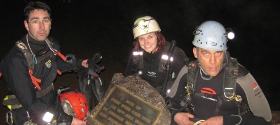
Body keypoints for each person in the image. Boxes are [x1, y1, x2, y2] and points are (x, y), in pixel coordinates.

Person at [0, 1, 94, 125]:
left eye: (45, 20)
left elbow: (57, 63)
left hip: (51, 102)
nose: (41, 26)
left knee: (79, 110)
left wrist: (81, 64)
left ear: (50, 23)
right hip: (30, 114)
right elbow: (32, 104)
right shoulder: (15, 61)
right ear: (27, 25)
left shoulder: (50, 44)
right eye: (35, 21)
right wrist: (68, 120)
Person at [166, 20, 272, 125]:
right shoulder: (188, 71)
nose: (213, 61)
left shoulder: (240, 78)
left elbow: (266, 120)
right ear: (195, 53)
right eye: (206, 53)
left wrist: (225, 121)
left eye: (218, 53)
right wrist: (175, 115)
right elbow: (168, 104)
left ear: (224, 52)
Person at [124, 16, 188, 96]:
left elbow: (185, 82)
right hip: (140, 97)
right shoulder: (136, 54)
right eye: (141, 38)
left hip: (164, 100)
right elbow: (128, 76)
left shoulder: (172, 55)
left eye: (150, 37)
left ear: (157, 36)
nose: (146, 42)